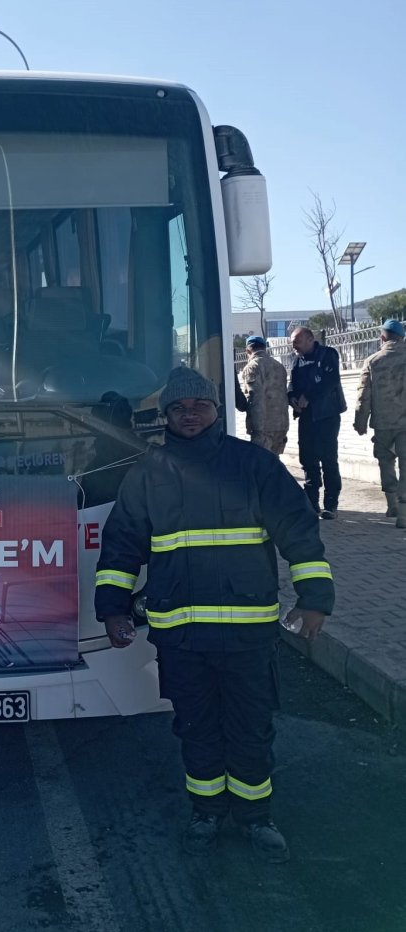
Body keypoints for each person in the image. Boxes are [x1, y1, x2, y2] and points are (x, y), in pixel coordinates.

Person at [95, 366, 334, 863]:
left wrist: (314, 599)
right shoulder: (148, 473)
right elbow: (120, 548)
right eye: (179, 408)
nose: (190, 415)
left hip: (248, 637)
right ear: (165, 416)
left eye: (199, 406)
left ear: (217, 410)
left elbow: (298, 531)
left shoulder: (254, 464)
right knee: (196, 728)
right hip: (182, 639)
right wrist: (113, 609)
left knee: (251, 729)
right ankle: (206, 812)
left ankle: (255, 817)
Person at [353, 318, 406, 528]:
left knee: (386, 463)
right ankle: (404, 515)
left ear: (382, 338)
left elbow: (363, 395)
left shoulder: (373, 361)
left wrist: (360, 422)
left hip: (383, 423)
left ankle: (392, 505)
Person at [288, 327, 344, 519]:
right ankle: (311, 503)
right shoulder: (297, 360)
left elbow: (331, 381)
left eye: (297, 342)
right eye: (292, 343)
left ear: (310, 339)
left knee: (328, 459)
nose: (294, 346)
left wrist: (308, 396)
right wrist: (292, 398)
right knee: (307, 459)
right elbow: (292, 384)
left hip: (327, 416)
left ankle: (331, 504)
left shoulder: (328, 355)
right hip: (306, 417)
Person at [238, 335, 289, 455]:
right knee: (274, 462)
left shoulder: (252, 367)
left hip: (263, 426)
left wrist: (256, 428)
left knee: (260, 462)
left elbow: (256, 398)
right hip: (281, 425)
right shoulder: (279, 366)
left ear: (248, 350)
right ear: (264, 348)